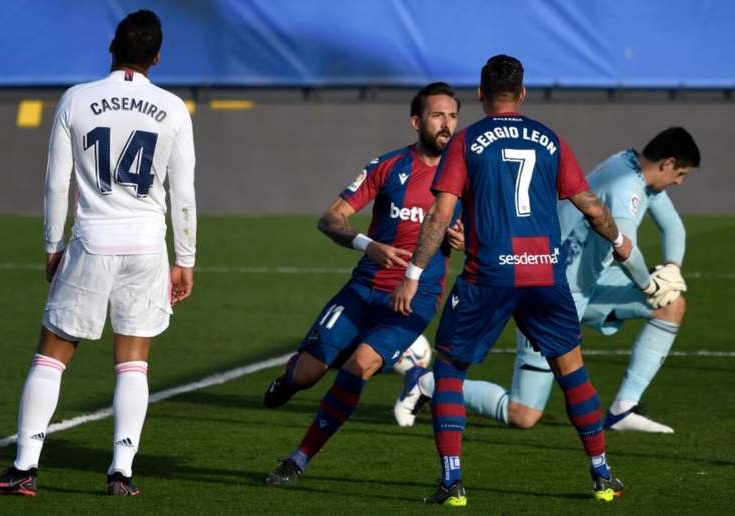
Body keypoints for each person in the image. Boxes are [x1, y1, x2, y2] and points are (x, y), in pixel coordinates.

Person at [392, 55, 634, 506]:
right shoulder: (550, 139)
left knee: (448, 368)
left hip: (490, 274)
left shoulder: (466, 141)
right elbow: (591, 205)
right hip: (545, 271)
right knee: (571, 368)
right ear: (522, 94)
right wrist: (619, 240)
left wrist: (412, 274)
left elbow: (440, 215)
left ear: (480, 95)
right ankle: (602, 476)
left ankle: (452, 482)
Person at [0, 10, 196, 497]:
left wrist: (53, 246)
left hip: (93, 240)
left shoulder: (77, 99)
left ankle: (24, 468)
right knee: (133, 361)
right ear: (157, 57)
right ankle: (121, 472)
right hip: (145, 245)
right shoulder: (173, 108)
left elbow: (57, 182)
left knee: (51, 355)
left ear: (112, 47)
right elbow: (183, 193)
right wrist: (186, 258)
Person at [397, 127, 700, 434]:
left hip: (588, 286)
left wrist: (672, 268)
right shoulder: (626, 187)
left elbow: (674, 228)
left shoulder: (636, 172)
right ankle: (425, 382)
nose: (680, 182)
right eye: (681, 174)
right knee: (523, 414)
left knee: (670, 305)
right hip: (548, 291)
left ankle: (623, 410)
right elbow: (623, 247)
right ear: (667, 163)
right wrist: (649, 285)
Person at [263, 82, 463, 486]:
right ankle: (288, 380)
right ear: (416, 121)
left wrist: (464, 240)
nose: (447, 124)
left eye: (453, 116)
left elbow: (483, 236)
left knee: (362, 365)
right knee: (304, 376)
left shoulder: (466, 178)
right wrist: (366, 244)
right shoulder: (388, 167)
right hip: (365, 286)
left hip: (415, 297)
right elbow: (331, 218)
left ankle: (298, 459)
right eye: (437, 115)